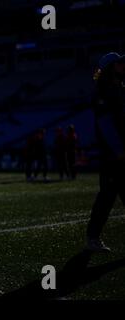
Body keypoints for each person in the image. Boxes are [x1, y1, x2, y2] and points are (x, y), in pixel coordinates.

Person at [86, 52, 125, 252]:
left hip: (120, 153)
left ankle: (93, 237)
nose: (123, 65)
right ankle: (93, 237)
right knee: (107, 197)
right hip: (113, 156)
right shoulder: (103, 91)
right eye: (120, 63)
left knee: (108, 196)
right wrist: (118, 150)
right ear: (111, 67)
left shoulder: (119, 87)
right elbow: (106, 124)